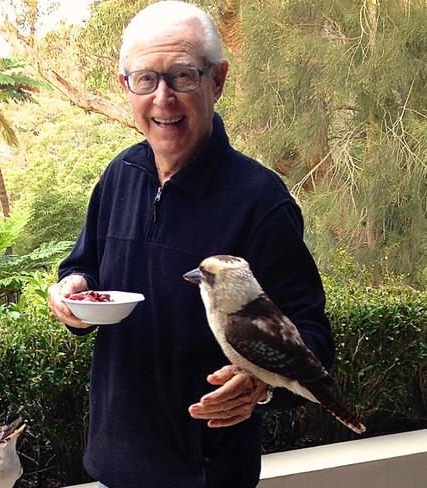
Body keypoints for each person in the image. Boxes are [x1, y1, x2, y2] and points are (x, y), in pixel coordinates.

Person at [48, 2, 334, 487]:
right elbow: (86, 270)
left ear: (216, 80)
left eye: (182, 76)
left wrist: (259, 386)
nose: (163, 99)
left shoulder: (259, 201)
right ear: (126, 87)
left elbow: (314, 342)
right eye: (145, 79)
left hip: (206, 473)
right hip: (112, 464)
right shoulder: (121, 175)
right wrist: (71, 291)